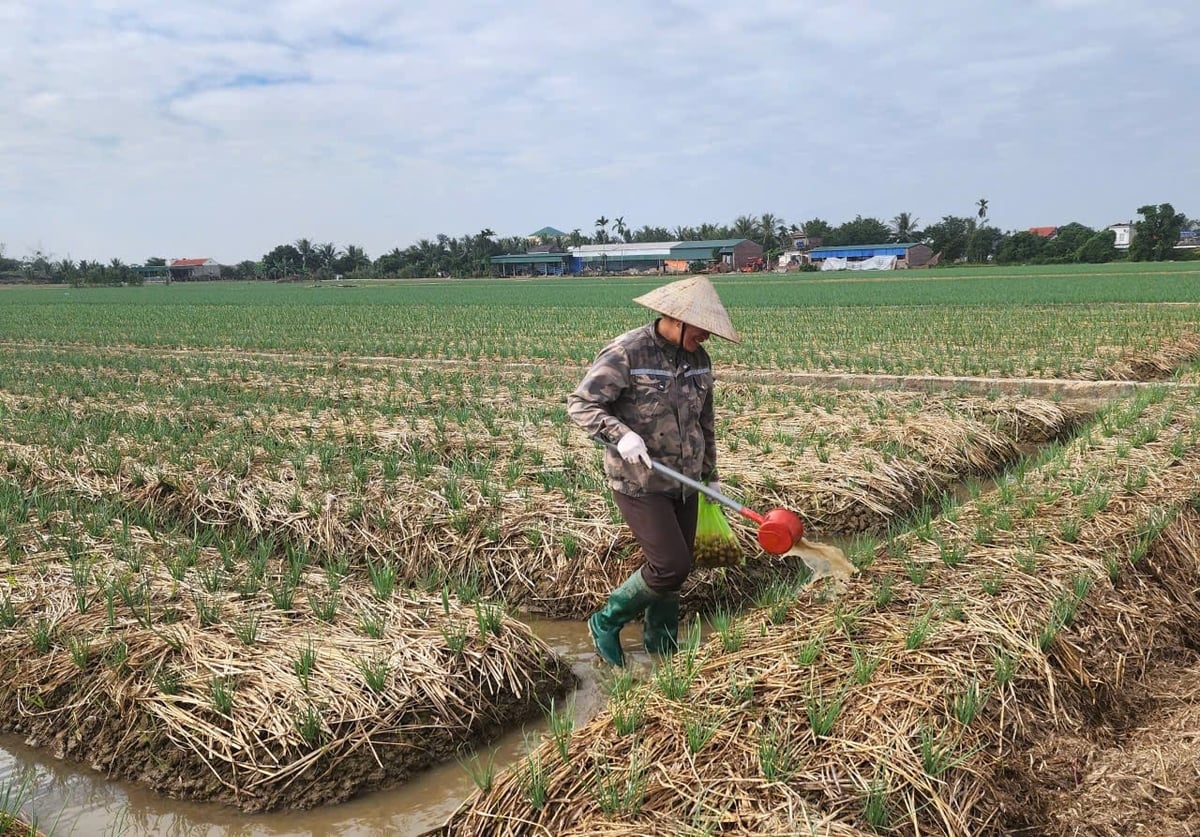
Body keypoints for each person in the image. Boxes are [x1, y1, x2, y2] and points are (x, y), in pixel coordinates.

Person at [567, 275, 741, 666]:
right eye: (701, 327)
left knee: (678, 568)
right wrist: (621, 434)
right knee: (670, 565)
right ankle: (606, 620)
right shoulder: (628, 352)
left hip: (686, 481)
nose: (707, 336)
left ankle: (661, 645)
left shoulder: (699, 360)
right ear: (675, 319)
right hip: (640, 481)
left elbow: (705, 422)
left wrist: (710, 474)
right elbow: (581, 404)